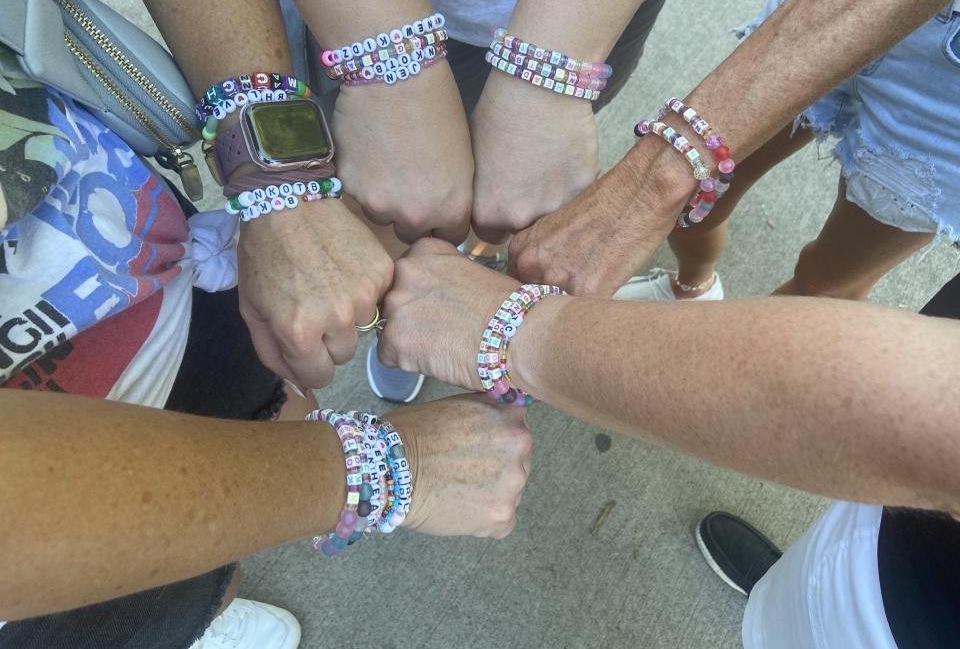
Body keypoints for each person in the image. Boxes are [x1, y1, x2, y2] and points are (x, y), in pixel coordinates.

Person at [0, 0, 531, 648]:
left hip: (160, 266)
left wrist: (281, 183)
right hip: (39, 578)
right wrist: (380, 470)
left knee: (215, 535)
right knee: (139, 604)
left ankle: (208, 598)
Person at [376, 236, 960, 647]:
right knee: (803, 597)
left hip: (915, 624)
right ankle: (784, 600)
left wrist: (514, 332)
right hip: (903, 531)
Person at [266, 0, 713, 400]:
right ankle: (401, 314)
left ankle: (464, 267)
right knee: (389, 201)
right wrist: (390, 74)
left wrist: (548, 80)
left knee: (519, 184)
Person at [506, 0, 960, 301]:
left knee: (824, 283)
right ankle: (693, 287)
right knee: (697, 207)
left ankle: (717, 380)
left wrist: (659, 175)